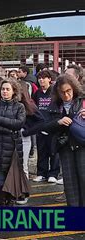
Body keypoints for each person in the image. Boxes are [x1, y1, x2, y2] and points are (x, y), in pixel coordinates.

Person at [43, 75, 85, 206]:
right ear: (57, 92)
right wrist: (58, 122)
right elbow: (45, 126)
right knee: (70, 182)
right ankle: (74, 217)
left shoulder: (82, 101)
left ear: (74, 88)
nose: (66, 95)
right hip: (64, 147)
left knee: (84, 179)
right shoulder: (54, 105)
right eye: (62, 92)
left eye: (69, 91)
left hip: (82, 145)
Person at [0, 79, 26, 206]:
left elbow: (19, 124)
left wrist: (0, 119)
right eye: (3, 89)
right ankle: (3, 204)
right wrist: (9, 129)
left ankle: (11, 203)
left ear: (14, 91)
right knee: (0, 179)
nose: (4, 92)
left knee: (13, 177)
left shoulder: (20, 106)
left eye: (8, 89)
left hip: (13, 147)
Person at [16, 81, 45, 205]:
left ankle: (23, 193)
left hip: (23, 138)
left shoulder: (29, 105)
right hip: (10, 137)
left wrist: (26, 132)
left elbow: (41, 121)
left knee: (23, 166)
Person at [32, 70, 60, 183]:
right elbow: (33, 107)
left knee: (53, 151)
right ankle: (41, 173)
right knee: (41, 151)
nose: (41, 80)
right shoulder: (37, 93)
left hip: (53, 126)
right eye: (40, 78)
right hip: (40, 126)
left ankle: (53, 173)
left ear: (49, 79)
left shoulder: (55, 92)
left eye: (44, 78)